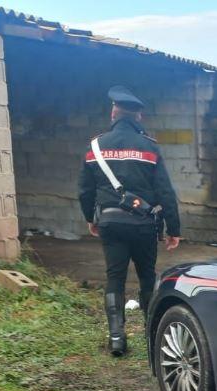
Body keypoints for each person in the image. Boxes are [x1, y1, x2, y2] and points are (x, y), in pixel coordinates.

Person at [78, 85, 181, 356]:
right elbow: (166, 192)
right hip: (144, 224)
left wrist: (91, 218)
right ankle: (151, 335)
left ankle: (116, 338)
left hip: (110, 223)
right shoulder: (150, 147)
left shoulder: (95, 147)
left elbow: (85, 190)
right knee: (147, 277)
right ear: (139, 118)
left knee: (115, 277)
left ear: (114, 113)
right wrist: (174, 228)